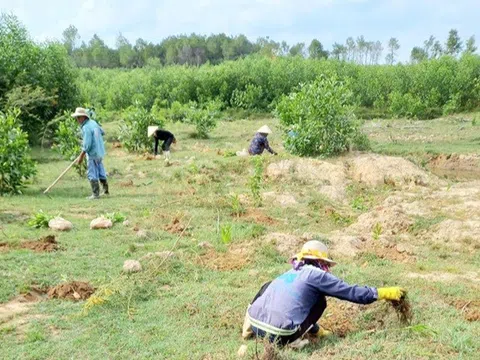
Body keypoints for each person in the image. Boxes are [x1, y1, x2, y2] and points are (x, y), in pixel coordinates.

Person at [242, 240, 406, 349]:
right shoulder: (317, 275)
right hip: (280, 334)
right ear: (321, 262)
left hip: (257, 324)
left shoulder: (291, 271)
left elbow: (296, 305)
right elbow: (351, 293)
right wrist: (382, 292)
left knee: (271, 287)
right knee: (320, 301)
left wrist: (316, 329)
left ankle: (247, 326)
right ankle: (293, 342)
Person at [72, 107, 109, 200]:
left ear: (83, 117)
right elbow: (103, 132)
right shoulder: (93, 123)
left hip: (92, 153)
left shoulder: (86, 127)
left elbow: (87, 145)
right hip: (100, 151)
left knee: (92, 173)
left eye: (78, 117)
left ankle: (95, 194)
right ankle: (105, 191)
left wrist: (81, 156)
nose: (77, 120)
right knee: (101, 171)